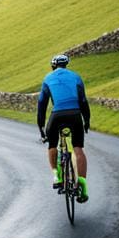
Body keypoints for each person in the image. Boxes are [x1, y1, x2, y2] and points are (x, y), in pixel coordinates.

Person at [37, 54, 91, 203]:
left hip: (57, 116)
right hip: (75, 115)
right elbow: (83, 101)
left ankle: (57, 175)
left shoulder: (48, 78)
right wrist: (86, 121)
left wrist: (41, 128)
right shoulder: (76, 77)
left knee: (52, 144)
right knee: (78, 149)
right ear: (66, 65)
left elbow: (42, 104)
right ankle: (82, 186)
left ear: (53, 66)